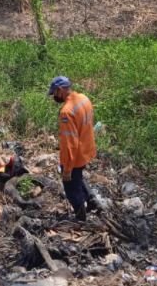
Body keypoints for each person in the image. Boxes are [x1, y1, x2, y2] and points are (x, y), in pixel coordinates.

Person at [47, 75, 100, 221]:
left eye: (54, 93)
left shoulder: (67, 112)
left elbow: (69, 143)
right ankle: (93, 201)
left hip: (76, 156)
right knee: (79, 177)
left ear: (60, 90)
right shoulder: (84, 98)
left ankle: (80, 216)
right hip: (87, 149)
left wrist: (67, 169)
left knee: (70, 186)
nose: (54, 96)